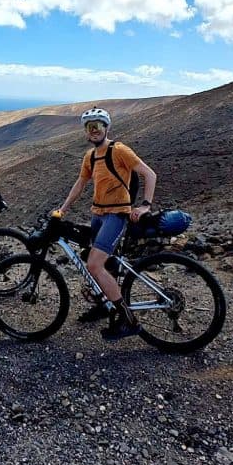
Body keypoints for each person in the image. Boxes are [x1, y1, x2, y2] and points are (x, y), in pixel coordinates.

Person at [56, 107, 157, 340]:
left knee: (94, 265)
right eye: (89, 127)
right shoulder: (90, 156)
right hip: (98, 215)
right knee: (105, 264)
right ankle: (104, 306)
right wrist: (63, 209)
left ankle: (128, 321)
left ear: (106, 128)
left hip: (117, 215)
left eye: (98, 126)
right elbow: (81, 183)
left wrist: (145, 205)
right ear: (85, 132)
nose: (94, 131)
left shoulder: (119, 150)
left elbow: (149, 174)